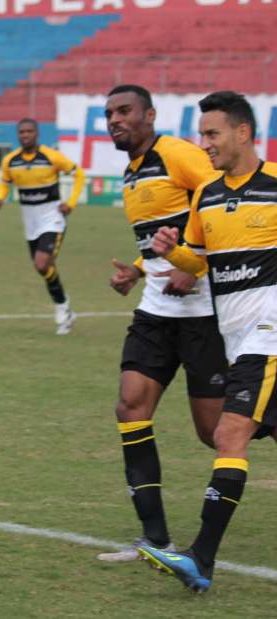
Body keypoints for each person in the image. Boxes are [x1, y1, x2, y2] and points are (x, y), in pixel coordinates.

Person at [141, 91, 277, 592]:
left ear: (243, 133)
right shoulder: (208, 195)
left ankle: (201, 559)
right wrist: (175, 254)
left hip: (270, 336)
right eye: (201, 134)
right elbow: (202, 264)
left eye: (213, 133)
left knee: (229, 434)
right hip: (236, 339)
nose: (205, 144)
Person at [100, 84, 228, 562]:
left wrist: (190, 260)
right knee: (131, 407)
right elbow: (159, 235)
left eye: (125, 110)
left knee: (214, 432)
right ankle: (155, 539)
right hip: (156, 310)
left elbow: (218, 195)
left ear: (149, 115)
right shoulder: (132, 174)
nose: (115, 119)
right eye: (110, 112)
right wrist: (138, 269)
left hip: (204, 312)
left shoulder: (176, 154)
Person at [0, 118, 85, 334]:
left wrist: (70, 203)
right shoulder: (10, 161)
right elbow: (4, 182)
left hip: (52, 218)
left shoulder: (51, 157)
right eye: (21, 132)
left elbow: (78, 174)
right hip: (30, 220)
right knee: (42, 268)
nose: (25, 135)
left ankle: (62, 310)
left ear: (37, 134)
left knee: (42, 264)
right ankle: (66, 307)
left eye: (29, 131)